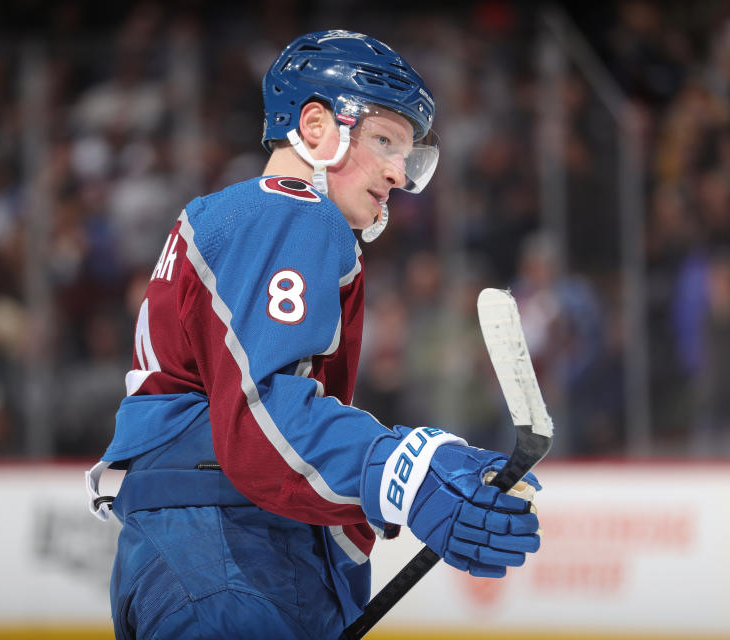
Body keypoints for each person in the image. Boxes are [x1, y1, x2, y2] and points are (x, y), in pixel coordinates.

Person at [86, 30, 542, 639]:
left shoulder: (246, 217)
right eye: (384, 141)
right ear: (316, 127)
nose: (397, 174)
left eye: (408, 157)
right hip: (230, 556)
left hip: (212, 551)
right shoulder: (290, 210)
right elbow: (261, 418)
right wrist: (409, 470)